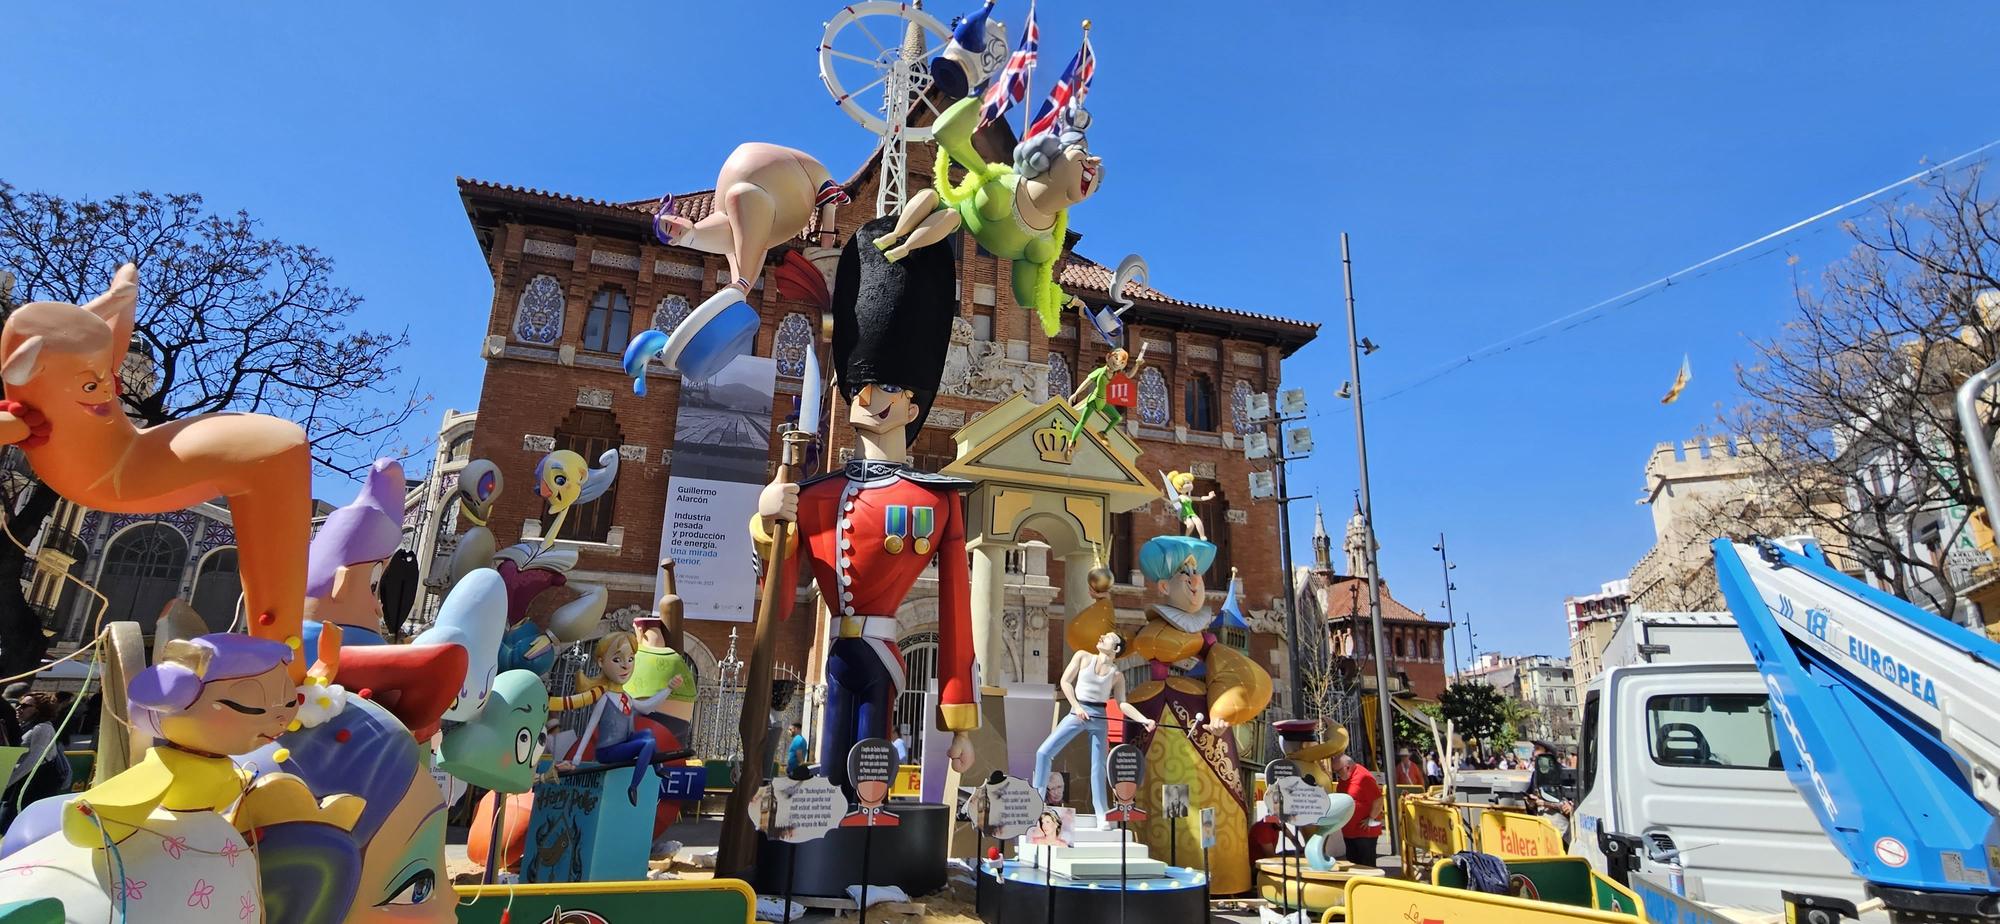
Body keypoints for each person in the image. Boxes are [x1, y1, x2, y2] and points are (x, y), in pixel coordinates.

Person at [1033, 630, 1156, 824]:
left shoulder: (1117, 675)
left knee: (1098, 767)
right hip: (1078, 713)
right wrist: (1076, 706)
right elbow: (1065, 682)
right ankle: (1037, 802)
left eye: (1108, 637)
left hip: (1099, 717)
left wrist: (1143, 720)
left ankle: (1102, 812)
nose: (1101, 637)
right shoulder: (1083, 656)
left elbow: (1122, 703)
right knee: (1043, 752)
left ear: (1115, 648)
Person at [1, 693, 70, 831]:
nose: (19, 708)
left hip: (35, 783)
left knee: (12, 821)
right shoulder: (25, 726)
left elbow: (33, 760)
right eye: (18, 705)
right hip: (25, 781)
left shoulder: (43, 728)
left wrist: (7, 783)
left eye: (25, 706)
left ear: (39, 709)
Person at [1333, 754, 1384, 868]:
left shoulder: (1363, 777)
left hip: (1364, 831)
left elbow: (1379, 800)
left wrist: (1371, 818)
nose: (1337, 775)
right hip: (1349, 830)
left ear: (1347, 767)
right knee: (1353, 864)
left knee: (1367, 865)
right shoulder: (1345, 777)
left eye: (1338, 771)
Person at [1525, 739, 1574, 841]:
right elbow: (1530, 795)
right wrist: (1531, 803)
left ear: (1548, 754)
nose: (1534, 753)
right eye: (1534, 749)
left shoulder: (1563, 772)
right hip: (1542, 825)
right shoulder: (1535, 774)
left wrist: (1544, 803)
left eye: (1537, 749)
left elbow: (1571, 803)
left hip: (1561, 829)